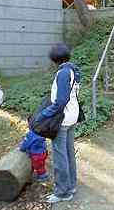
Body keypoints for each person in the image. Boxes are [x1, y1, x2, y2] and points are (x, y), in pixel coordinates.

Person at [38, 44, 81, 203]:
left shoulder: (63, 73)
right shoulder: (73, 70)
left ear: (54, 59)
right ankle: (71, 185)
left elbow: (61, 100)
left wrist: (45, 114)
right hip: (72, 116)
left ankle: (63, 192)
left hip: (62, 119)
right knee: (69, 153)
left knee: (60, 156)